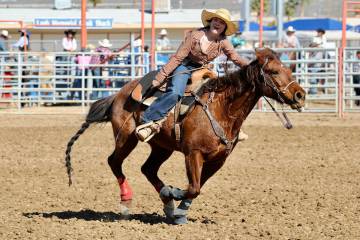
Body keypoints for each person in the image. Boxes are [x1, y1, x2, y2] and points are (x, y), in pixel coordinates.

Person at [136, 8, 249, 142]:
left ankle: (232, 127)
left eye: (222, 22)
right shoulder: (195, 35)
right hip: (184, 66)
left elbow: (235, 57)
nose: (218, 23)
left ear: (224, 27)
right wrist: (160, 77)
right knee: (175, 93)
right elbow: (177, 58)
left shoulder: (223, 41)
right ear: (210, 21)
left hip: (203, 69)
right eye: (215, 20)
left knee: (222, 94)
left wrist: (252, 66)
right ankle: (148, 119)